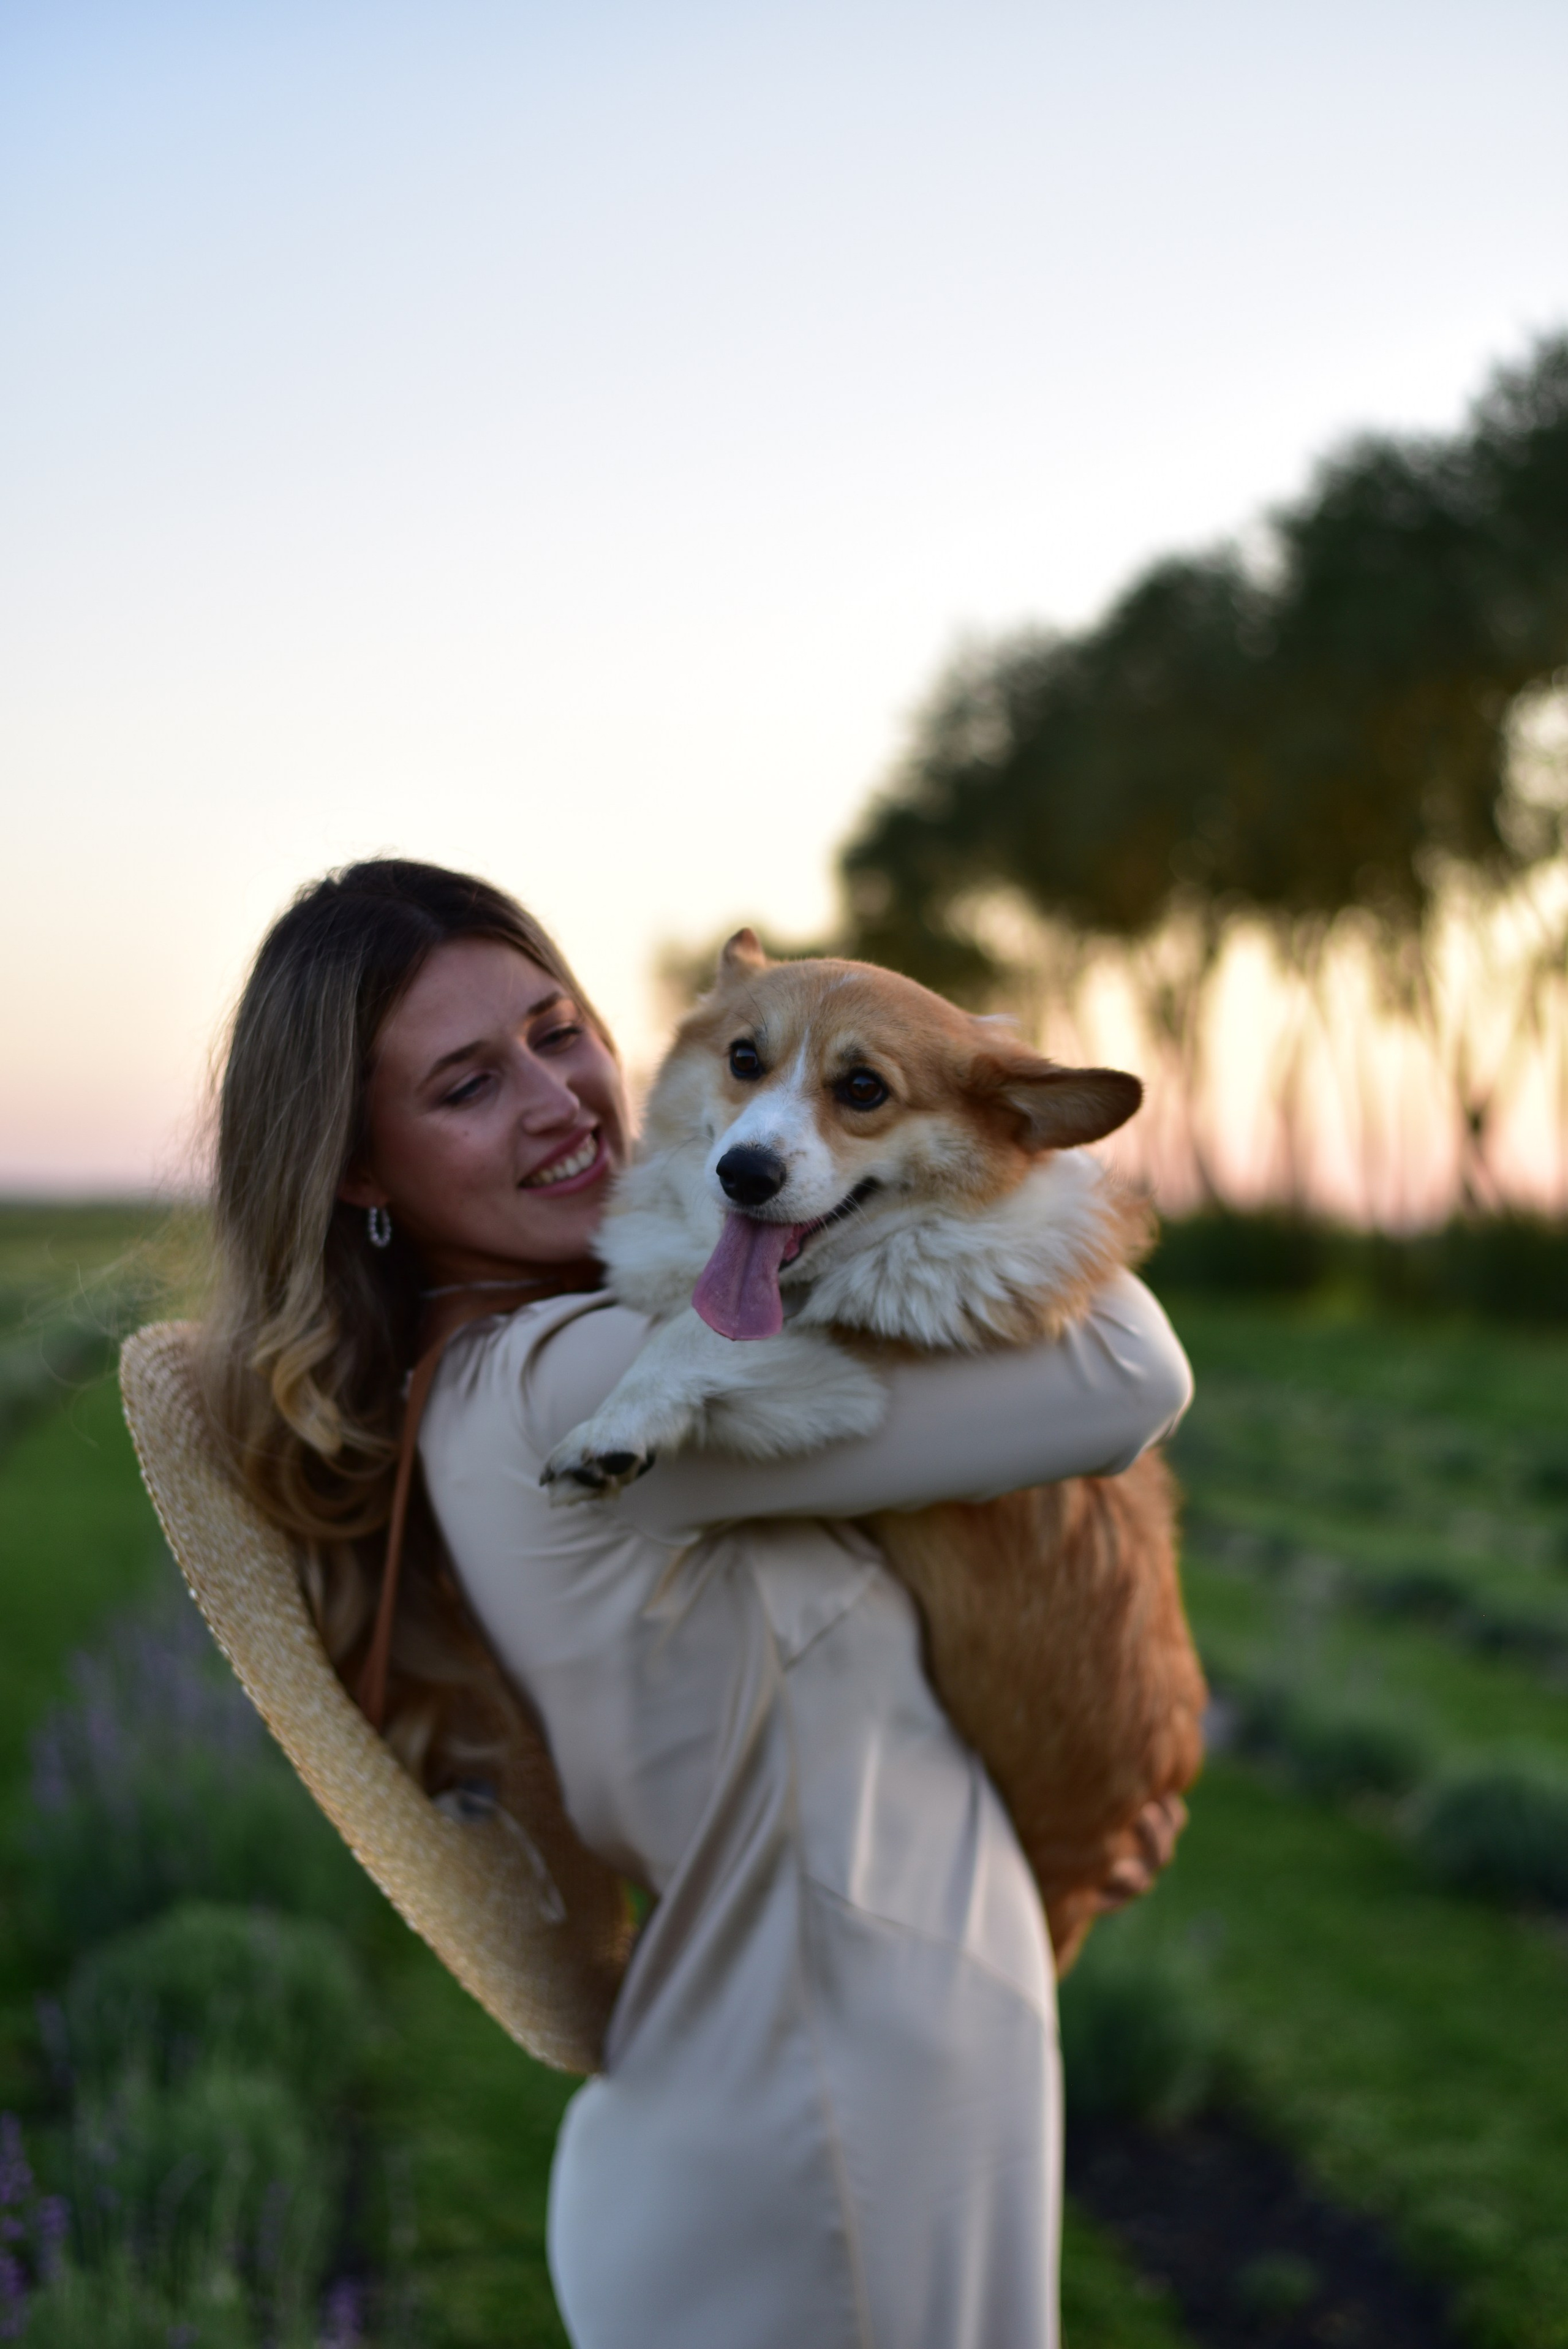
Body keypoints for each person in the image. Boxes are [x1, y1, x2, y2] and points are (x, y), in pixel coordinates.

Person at [203, 858, 1194, 2349]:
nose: (560, 1101)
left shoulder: (632, 1338)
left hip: (861, 2096)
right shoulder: (578, 1396)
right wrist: (988, 1102)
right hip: (806, 2151)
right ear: (358, 1168)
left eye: (558, 1029)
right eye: (468, 1084)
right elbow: (1126, 1376)